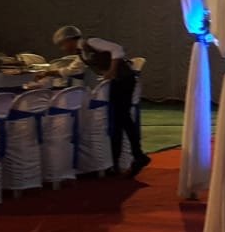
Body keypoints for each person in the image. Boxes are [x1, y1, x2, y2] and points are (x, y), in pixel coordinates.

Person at [37, 26, 149, 176]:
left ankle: (135, 156)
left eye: (63, 44)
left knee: (122, 119)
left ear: (70, 40)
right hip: (117, 82)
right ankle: (127, 159)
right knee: (120, 120)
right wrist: (47, 73)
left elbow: (117, 50)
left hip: (124, 80)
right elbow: (70, 70)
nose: (63, 48)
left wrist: (111, 71)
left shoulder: (91, 42)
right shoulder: (82, 54)